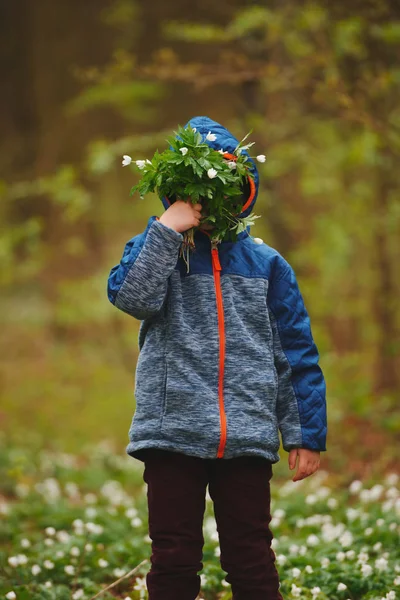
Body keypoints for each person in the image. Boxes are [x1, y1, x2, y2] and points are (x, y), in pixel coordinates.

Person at [107, 116, 328, 600]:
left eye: (220, 192)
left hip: (246, 434)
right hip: (170, 433)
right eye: (191, 195)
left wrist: (304, 432)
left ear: (241, 193)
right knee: (174, 557)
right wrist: (166, 231)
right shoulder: (155, 250)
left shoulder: (267, 265)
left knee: (251, 556)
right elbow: (131, 297)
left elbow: (295, 352)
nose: (205, 206)